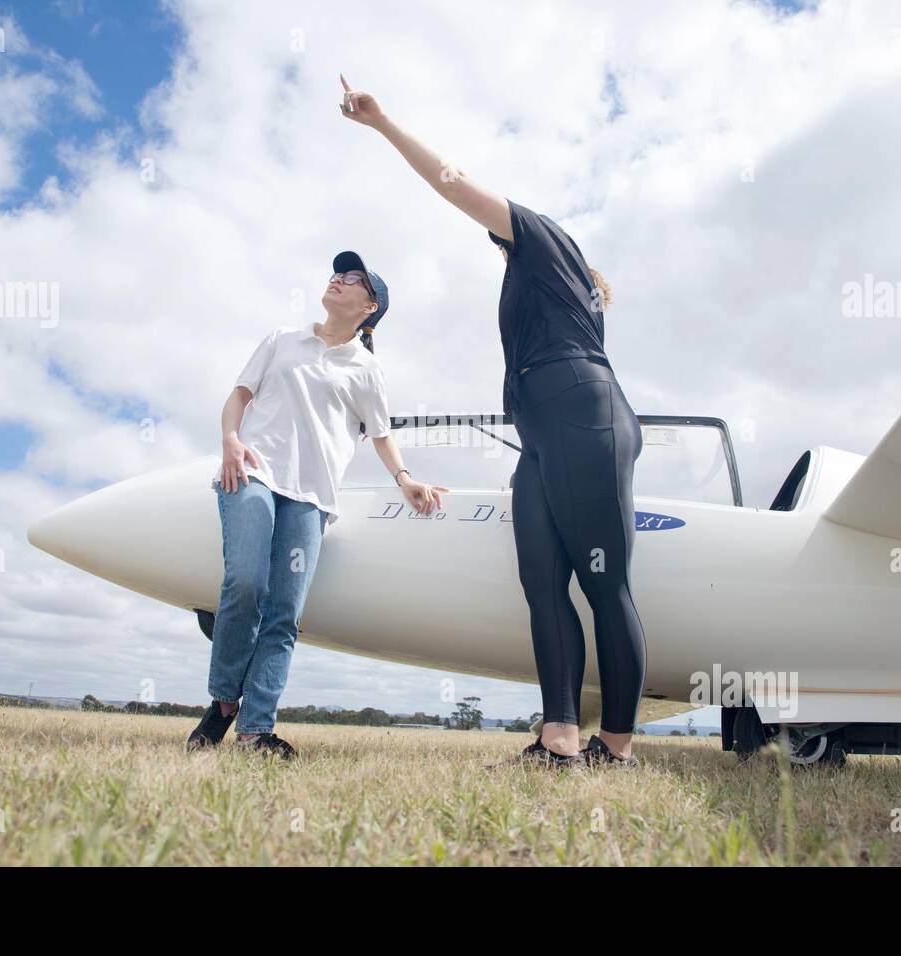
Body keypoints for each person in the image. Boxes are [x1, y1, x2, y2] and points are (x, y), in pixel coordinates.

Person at [340, 75, 645, 767]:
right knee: (541, 580)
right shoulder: (532, 276)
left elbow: (452, 182)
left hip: (580, 410)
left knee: (604, 581)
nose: (493, 240)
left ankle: (617, 747)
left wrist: (384, 123)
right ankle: (560, 736)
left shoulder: (543, 239)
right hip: (541, 428)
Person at [187, 251, 448, 759]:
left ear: (369, 307)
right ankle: (223, 703)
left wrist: (405, 478)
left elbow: (381, 434)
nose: (339, 279)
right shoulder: (282, 340)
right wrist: (230, 440)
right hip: (252, 472)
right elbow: (238, 396)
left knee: (285, 613)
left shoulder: (367, 370)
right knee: (245, 584)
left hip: (312, 496)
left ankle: (254, 730)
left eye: (354, 279)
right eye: (339, 273)